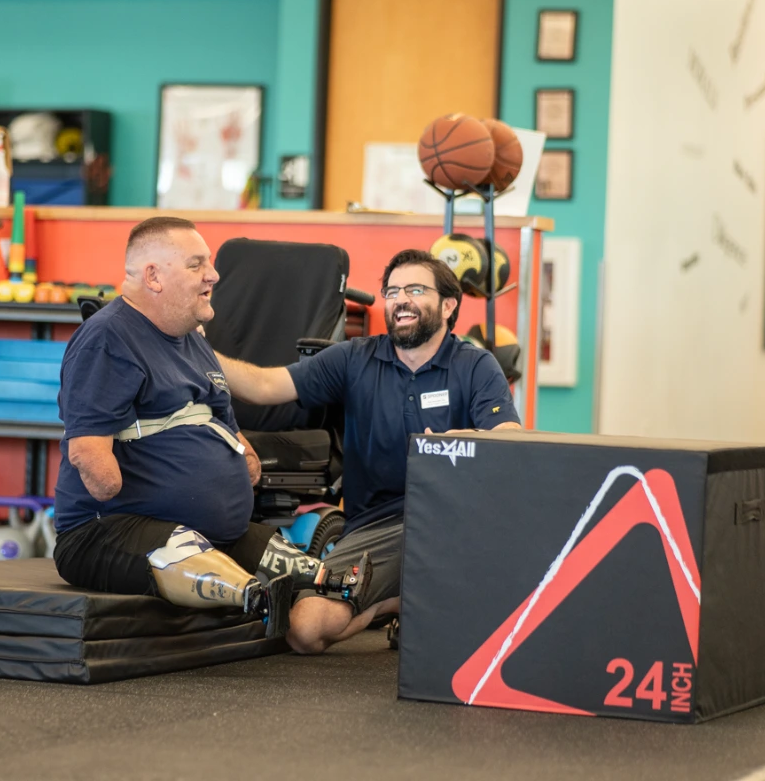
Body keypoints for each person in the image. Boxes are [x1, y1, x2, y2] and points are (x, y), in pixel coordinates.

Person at [52, 216, 371, 637]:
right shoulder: (108, 339)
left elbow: (217, 416)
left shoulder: (192, 339)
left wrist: (244, 456)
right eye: (196, 264)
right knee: (197, 557)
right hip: (108, 531)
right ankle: (253, 598)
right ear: (154, 277)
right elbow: (87, 449)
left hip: (212, 531)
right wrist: (106, 478)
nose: (214, 275)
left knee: (314, 573)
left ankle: (340, 590)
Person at [214, 248, 522, 654]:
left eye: (415, 289)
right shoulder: (353, 359)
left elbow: (510, 437)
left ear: (448, 305)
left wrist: (464, 442)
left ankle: (421, 598)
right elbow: (264, 386)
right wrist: (194, 349)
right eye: (392, 291)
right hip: (377, 526)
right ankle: (402, 601)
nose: (401, 300)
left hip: (454, 523)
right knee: (305, 630)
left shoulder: (475, 365)